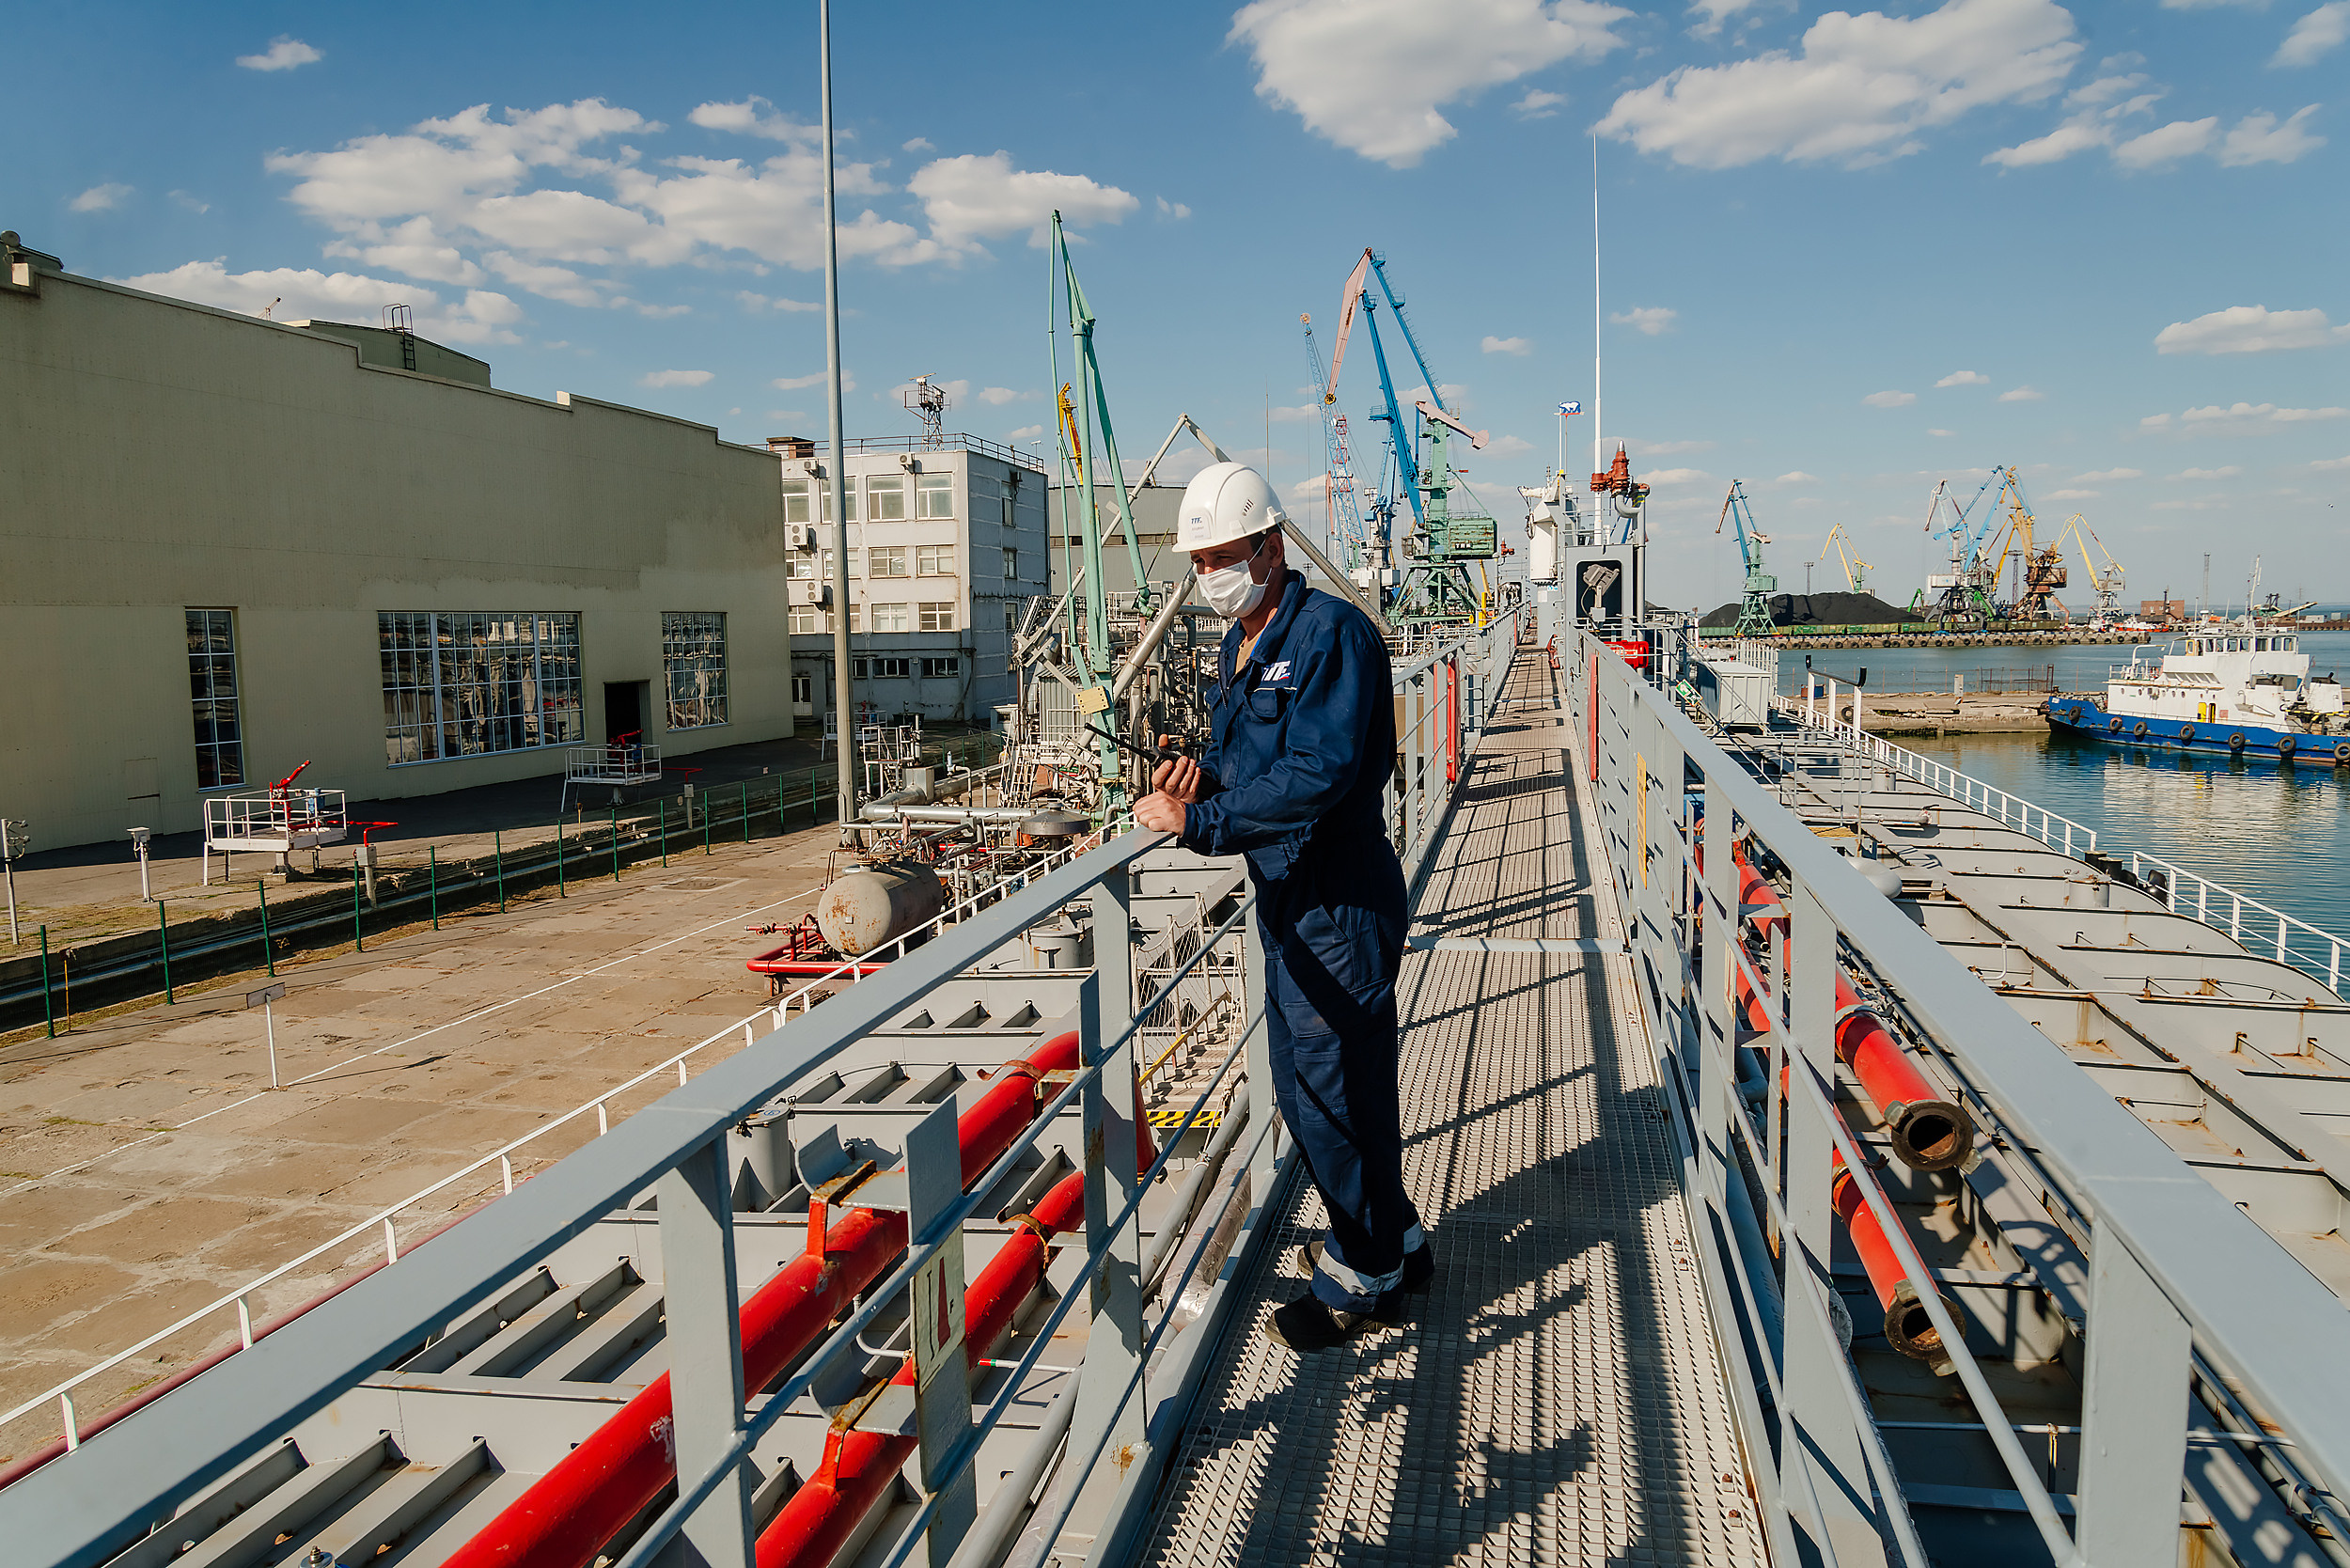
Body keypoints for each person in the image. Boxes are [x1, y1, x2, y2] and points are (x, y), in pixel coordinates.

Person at [1134, 463, 1434, 1351]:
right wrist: (1203, 775)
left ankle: (1364, 1277)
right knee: (1324, 1093)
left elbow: (1320, 772)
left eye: (1223, 557)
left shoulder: (1331, 635)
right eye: (1199, 563)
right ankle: (1394, 1239)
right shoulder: (1245, 642)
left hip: (1337, 902)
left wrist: (1201, 822)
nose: (1209, 576)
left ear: (1270, 546)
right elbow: (1256, 761)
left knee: (1330, 1100)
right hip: (1289, 898)